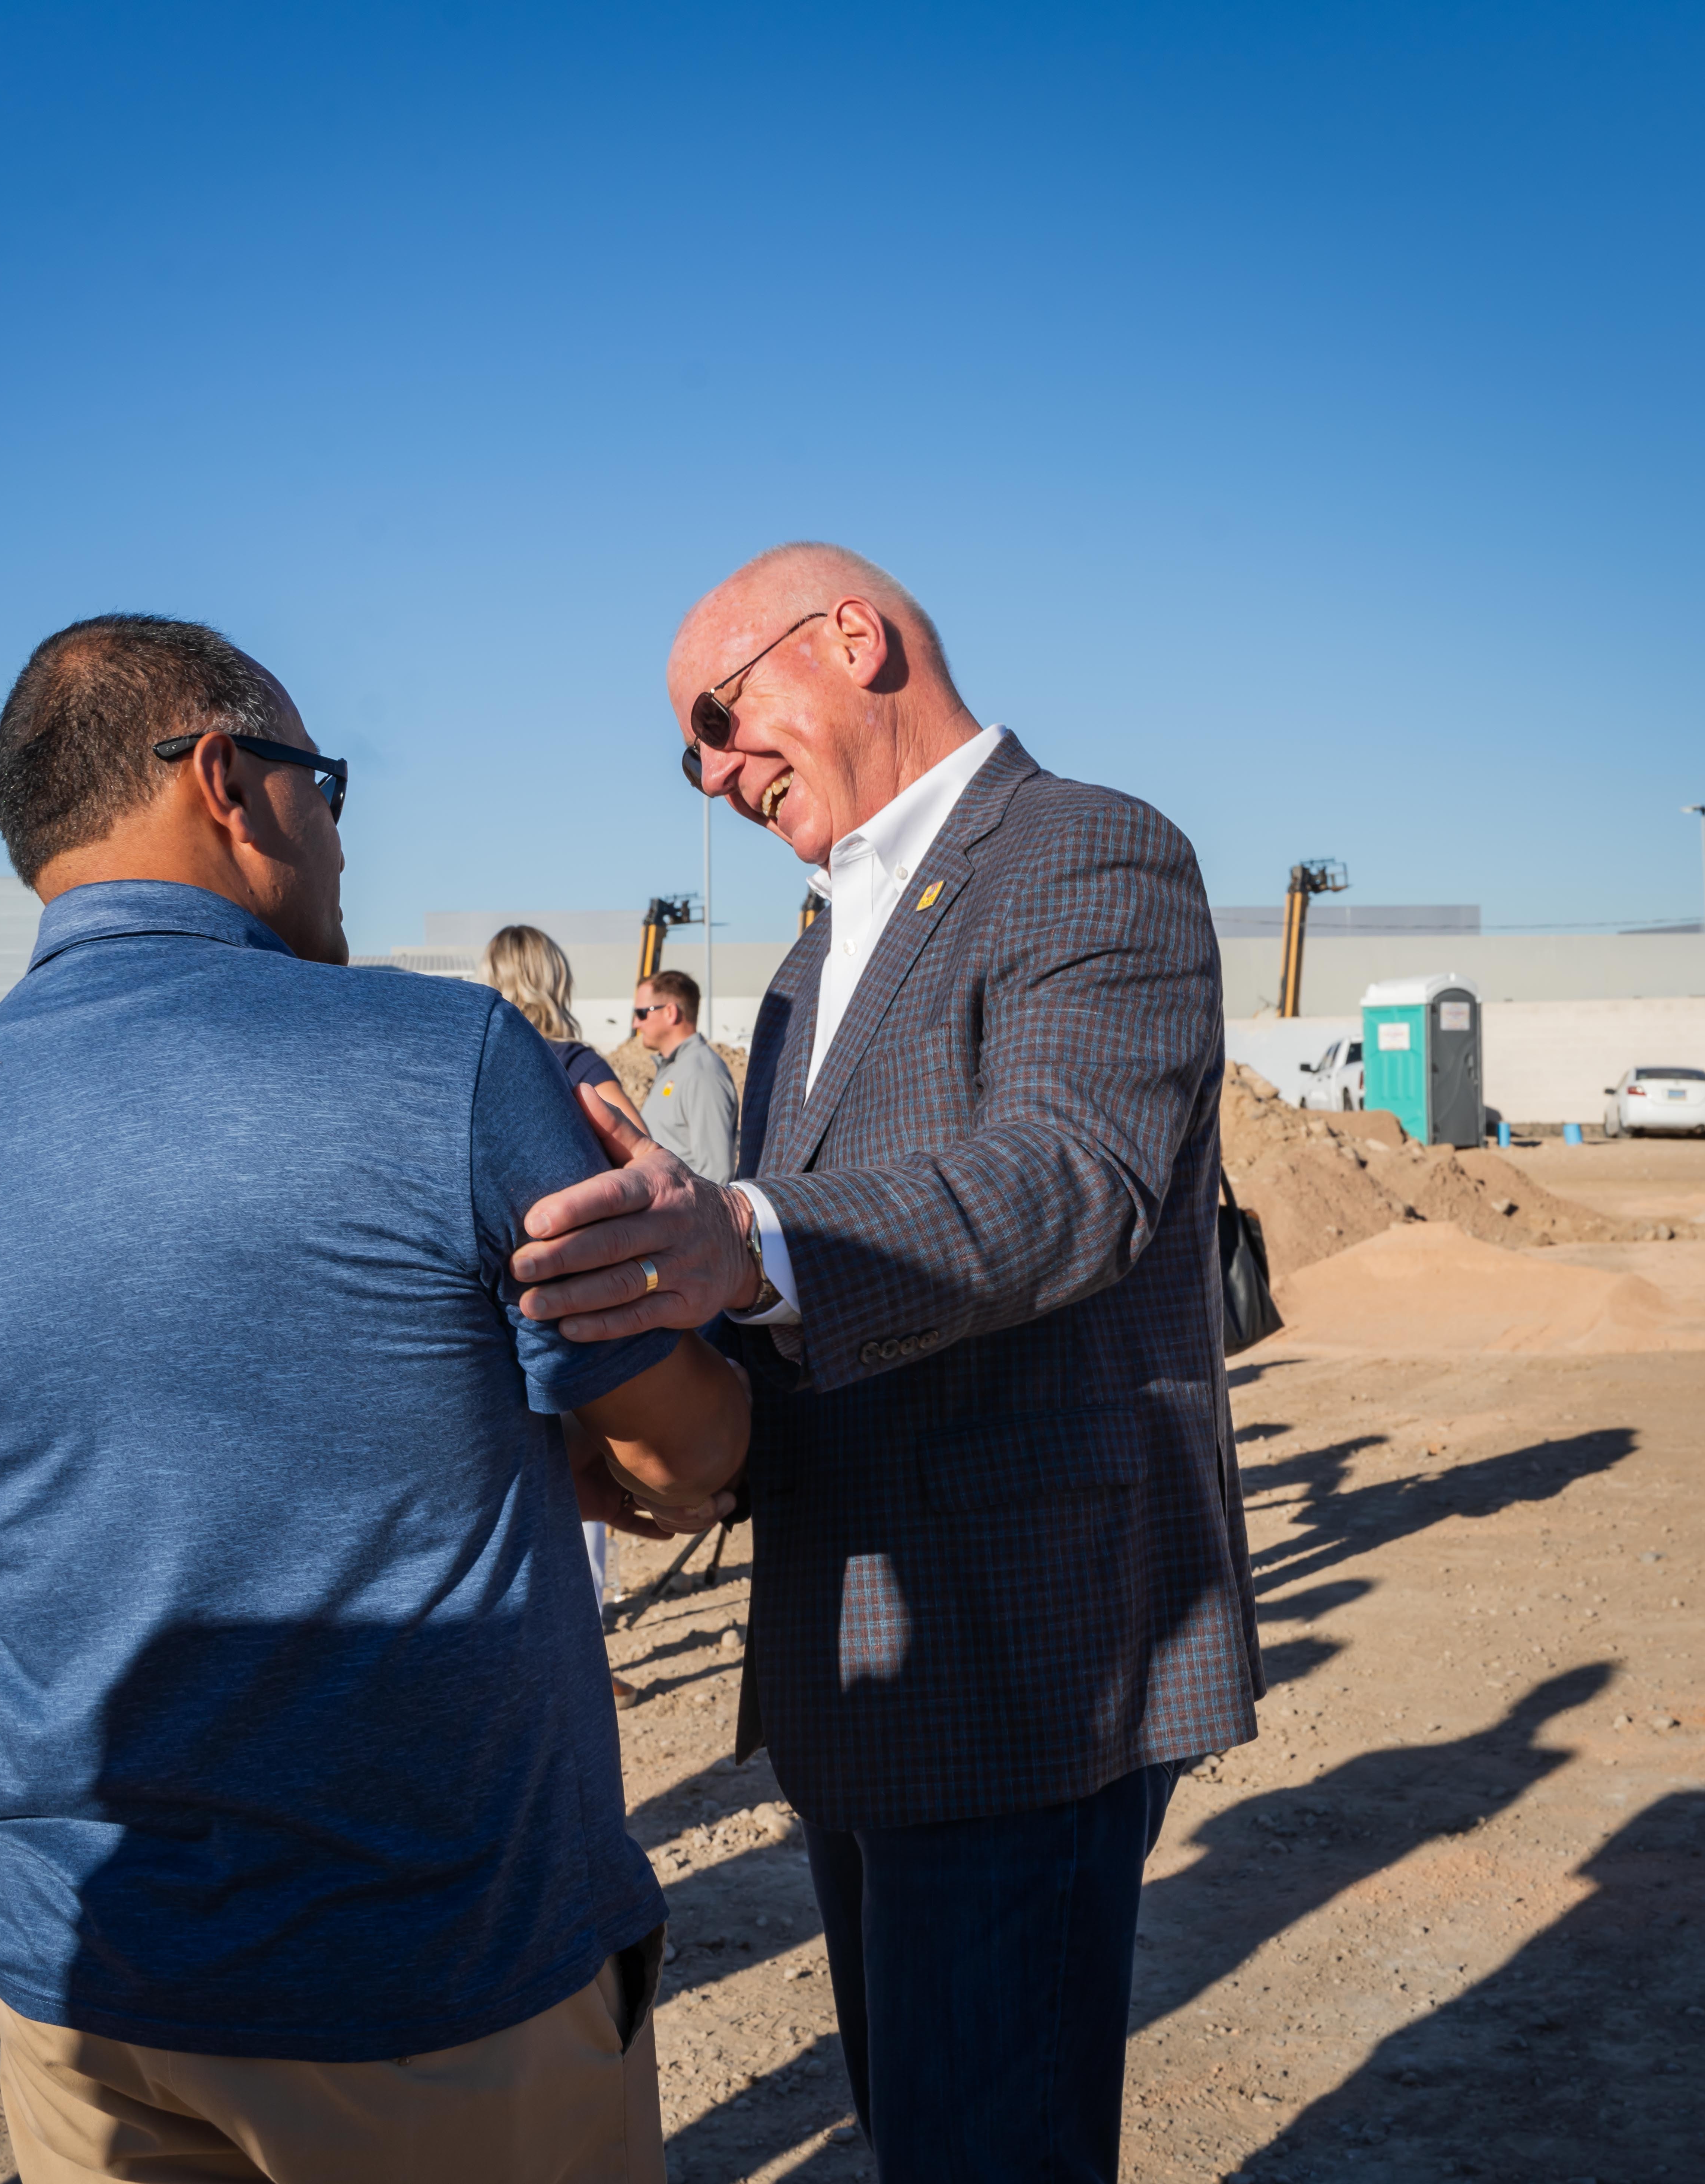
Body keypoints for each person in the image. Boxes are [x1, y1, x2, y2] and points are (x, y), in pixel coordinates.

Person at [0, 615, 746, 2184]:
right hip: (426, 1987)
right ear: (226, 779)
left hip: (86, 1986)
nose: (337, 830)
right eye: (321, 782)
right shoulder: (451, 1061)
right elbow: (679, 1457)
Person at [511, 544, 1260, 2181]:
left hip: (1019, 1655)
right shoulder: (804, 962)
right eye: (685, 754)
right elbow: (801, 1301)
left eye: (715, 718)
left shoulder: (1085, 853)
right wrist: (673, 1417)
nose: (709, 775)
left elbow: (1069, 1180)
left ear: (852, 639)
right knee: (916, 2127)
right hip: (850, 1658)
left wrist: (739, 1234)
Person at [479, 925, 649, 1690]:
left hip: (489, 1322)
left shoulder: (475, 1067)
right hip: (575, 1316)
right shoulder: (578, 1069)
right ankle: (584, 1654)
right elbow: (648, 1179)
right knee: (590, 1499)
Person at [630, 968, 736, 1184]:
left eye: (642, 1013)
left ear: (671, 1012)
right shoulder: (674, 1068)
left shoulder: (702, 1073)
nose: (636, 1024)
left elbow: (716, 1173)